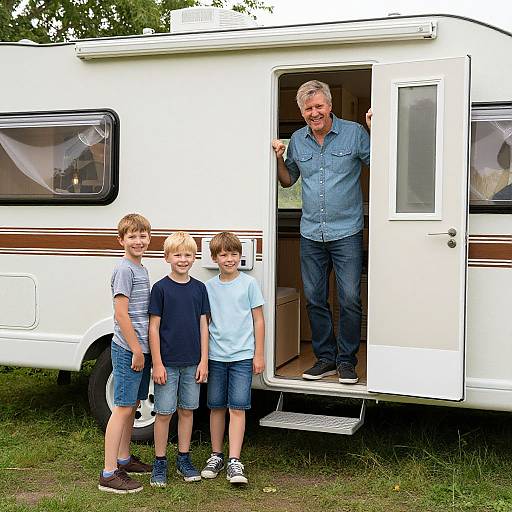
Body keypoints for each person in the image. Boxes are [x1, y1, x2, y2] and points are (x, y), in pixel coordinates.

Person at [272, 80, 372, 384]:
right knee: (315, 298)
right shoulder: (298, 141)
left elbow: (381, 165)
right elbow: (288, 181)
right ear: (302, 112)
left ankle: (346, 361)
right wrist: (277, 157)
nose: (314, 113)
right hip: (311, 233)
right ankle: (326, 359)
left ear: (329, 106)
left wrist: (375, 129)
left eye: (319, 106)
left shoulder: (354, 133)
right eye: (308, 108)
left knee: (350, 298)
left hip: (348, 232)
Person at [200, 232, 265, 485]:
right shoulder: (208, 287)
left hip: (242, 356)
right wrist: (203, 358)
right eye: (224, 254)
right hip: (216, 356)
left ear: (240, 256)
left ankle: (234, 461)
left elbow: (258, 319)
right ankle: (216, 455)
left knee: (237, 408)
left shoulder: (249, 284)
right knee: (216, 406)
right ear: (214, 258)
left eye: (234, 254)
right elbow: (205, 324)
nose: (229, 259)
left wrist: (258, 354)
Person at [148, 232, 209, 487]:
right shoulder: (161, 289)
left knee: (187, 411)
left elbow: (204, 326)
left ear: (194, 258)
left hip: (192, 363)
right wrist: (158, 363)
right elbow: (153, 328)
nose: (182, 260)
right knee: (163, 413)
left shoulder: (199, 289)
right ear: (167, 257)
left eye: (188, 255)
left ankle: (184, 458)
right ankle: (159, 461)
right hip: (168, 363)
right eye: (177, 255)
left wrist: (204, 361)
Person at [98, 213, 153, 494]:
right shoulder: (124, 270)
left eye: (143, 235)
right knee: (121, 407)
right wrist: (135, 349)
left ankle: (124, 458)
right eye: (132, 236)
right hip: (128, 348)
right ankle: (109, 473)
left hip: (140, 347)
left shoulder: (140, 269)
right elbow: (121, 313)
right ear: (121, 240)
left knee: (131, 405)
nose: (138, 240)